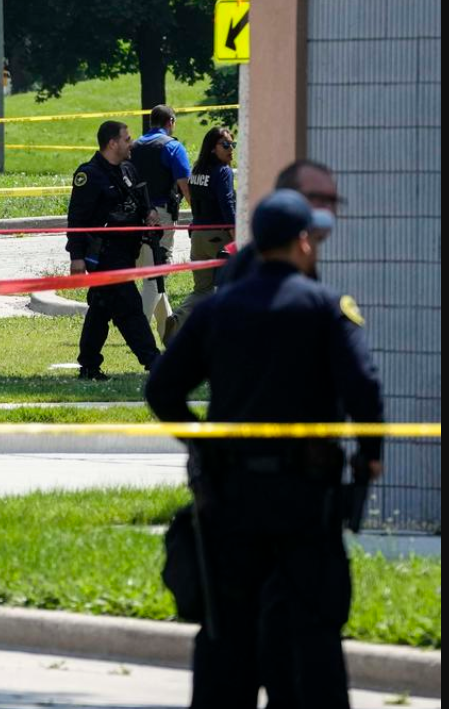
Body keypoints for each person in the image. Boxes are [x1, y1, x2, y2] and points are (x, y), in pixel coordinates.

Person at [145, 189, 384, 709]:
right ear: (301, 243)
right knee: (311, 633)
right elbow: (364, 388)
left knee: (226, 632)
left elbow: (161, 390)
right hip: (304, 500)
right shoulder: (325, 308)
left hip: (231, 498)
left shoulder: (216, 310)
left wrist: (203, 442)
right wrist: (370, 455)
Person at [66, 120, 161, 380]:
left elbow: (140, 200)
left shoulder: (127, 170)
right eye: (127, 139)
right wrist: (76, 258)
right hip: (104, 255)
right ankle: (156, 363)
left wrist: (149, 213)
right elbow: (77, 219)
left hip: (126, 251)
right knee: (129, 306)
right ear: (112, 143)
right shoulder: (90, 174)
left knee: (101, 307)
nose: (131, 143)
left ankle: (88, 365)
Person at [216, 159, 343, 287]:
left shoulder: (301, 262)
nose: (328, 210)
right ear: (286, 196)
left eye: (333, 201)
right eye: (319, 199)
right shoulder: (248, 270)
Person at [163, 127, 237, 340]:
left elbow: (194, 202)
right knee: (229, 288)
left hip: (198, 235)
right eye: (225, 145)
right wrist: (236, 235)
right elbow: (227, 204)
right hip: (219, 238)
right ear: (213, 149)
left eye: (233, 144)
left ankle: (178, 318)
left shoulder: (197, 171)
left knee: (202, 290)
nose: (230, 149)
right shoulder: (223, 171)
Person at [129, 104, 193, 339]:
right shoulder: (173, 147)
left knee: (152, 273)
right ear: (171, 122)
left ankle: (168, 331)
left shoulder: (133, 146)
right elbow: (185, 186)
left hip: (136, 216)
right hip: (161, 216)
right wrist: (200, 214)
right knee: (154, 276)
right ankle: (139, 332)